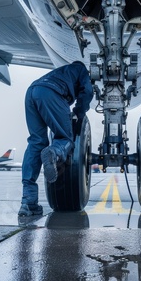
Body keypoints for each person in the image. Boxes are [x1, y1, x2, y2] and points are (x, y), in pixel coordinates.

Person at [18, 61, 93, 217]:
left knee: (36, 142)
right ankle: (54, 153)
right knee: (66, 139)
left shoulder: (62, 72)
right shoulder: (81, 69)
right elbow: (87, 92)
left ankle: (28, 202)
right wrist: (79, 114)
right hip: (52, 93)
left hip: (32, 91)